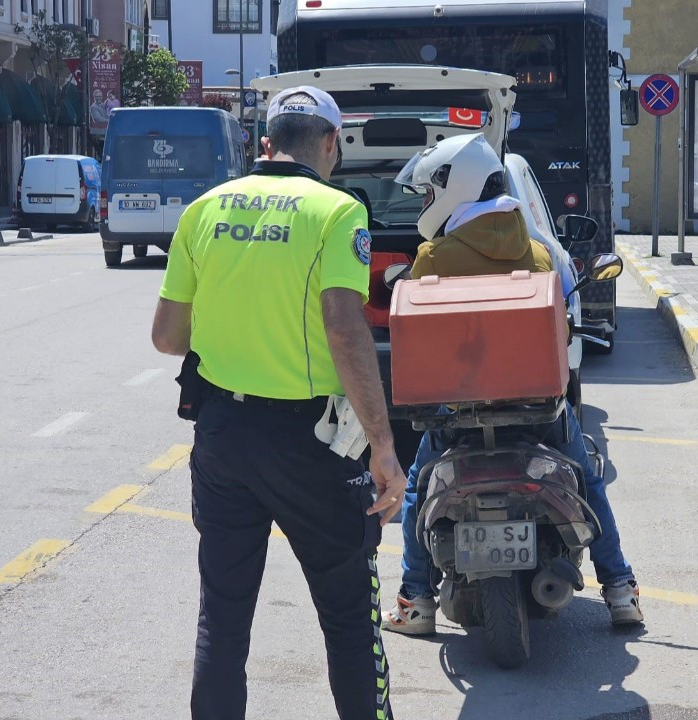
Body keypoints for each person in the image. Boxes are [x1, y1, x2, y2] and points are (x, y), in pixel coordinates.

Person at [151, 85, 401, 720]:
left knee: (223, 624)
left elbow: (166, 338)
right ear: (329, 144)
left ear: (265, 145)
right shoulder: (337, 212)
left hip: (223, 437)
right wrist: (383, 443)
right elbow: (346, 330)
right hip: (311, 445)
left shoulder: (204, 210)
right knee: (348, 619)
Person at [379, 133, 643, 636]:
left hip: (457, 414)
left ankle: (415, 601)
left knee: (417, 486)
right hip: (538, 409)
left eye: (431, 192)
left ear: (454, 188)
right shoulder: (540, 253)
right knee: (586, 479)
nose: (428, 204)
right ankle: (620, 590)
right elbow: (565, 310)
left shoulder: (433, 257)